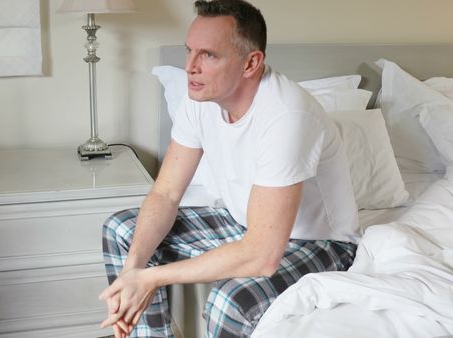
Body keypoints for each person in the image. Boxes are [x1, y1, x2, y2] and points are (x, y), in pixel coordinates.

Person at [99, 0, 359, 337]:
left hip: (319, 243)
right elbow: (166, 193)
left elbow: (263, 255)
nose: (191, 67)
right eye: (189, 51)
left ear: (251, 63)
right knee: (122, 228)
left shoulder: (287, 116)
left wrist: (151, 277)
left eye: (208, 55)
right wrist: (132, 273)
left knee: (229, 302)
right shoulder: (200, 97)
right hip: (245, 226)